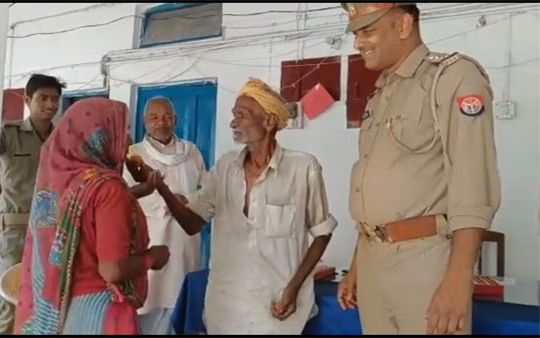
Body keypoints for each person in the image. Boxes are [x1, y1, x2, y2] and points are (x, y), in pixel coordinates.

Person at [336, 3, 501, 335]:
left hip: (423, 263)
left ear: (403, 25)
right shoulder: (380, 95)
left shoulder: (451, 77)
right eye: (356, 33)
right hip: (372, 260)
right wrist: (357, 265)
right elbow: (373, 190)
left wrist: (458, 279)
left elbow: (473, 186)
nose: (358, 43)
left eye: (368, 31)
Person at [149, 78, 338, 334]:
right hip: (225, 308)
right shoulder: (225, 168)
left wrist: (293, 288)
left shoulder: (303, 168)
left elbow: (322, 232)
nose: (233, 123)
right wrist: (161, 188)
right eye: (233, 115)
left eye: (242, 115)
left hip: (278, 307)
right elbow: (193, 223)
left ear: (269, 121)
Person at [12, 98, 170, 335]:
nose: (126, 140)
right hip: (100, 313)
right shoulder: (108, 187)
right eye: (121, 130)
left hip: (58, 311)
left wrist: (139, 190)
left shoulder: (58, 182)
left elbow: (87, 214)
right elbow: (112, 270)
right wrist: (152, 258)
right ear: (100, 136)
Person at [122, 96, 207, 334]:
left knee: (182, 304)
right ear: (144, 121)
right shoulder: (133, 156)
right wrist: (164, 204)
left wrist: (187, 202)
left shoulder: (191, 153)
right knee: (150, 306)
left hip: (184, 242)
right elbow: (123, 198)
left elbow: (208, 191)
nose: (162, 122)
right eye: (154, 117)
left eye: (167, 117)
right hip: (152, 241)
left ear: (176, 120)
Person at [0, 74, 64, 334]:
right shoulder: (7, 135)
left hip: (51, 232)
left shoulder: (63, 141)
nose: (50, 104)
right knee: (7, 305)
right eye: (43, 98)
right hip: (15, 231)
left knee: (45, 304)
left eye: (55, 99)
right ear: (27, 99)